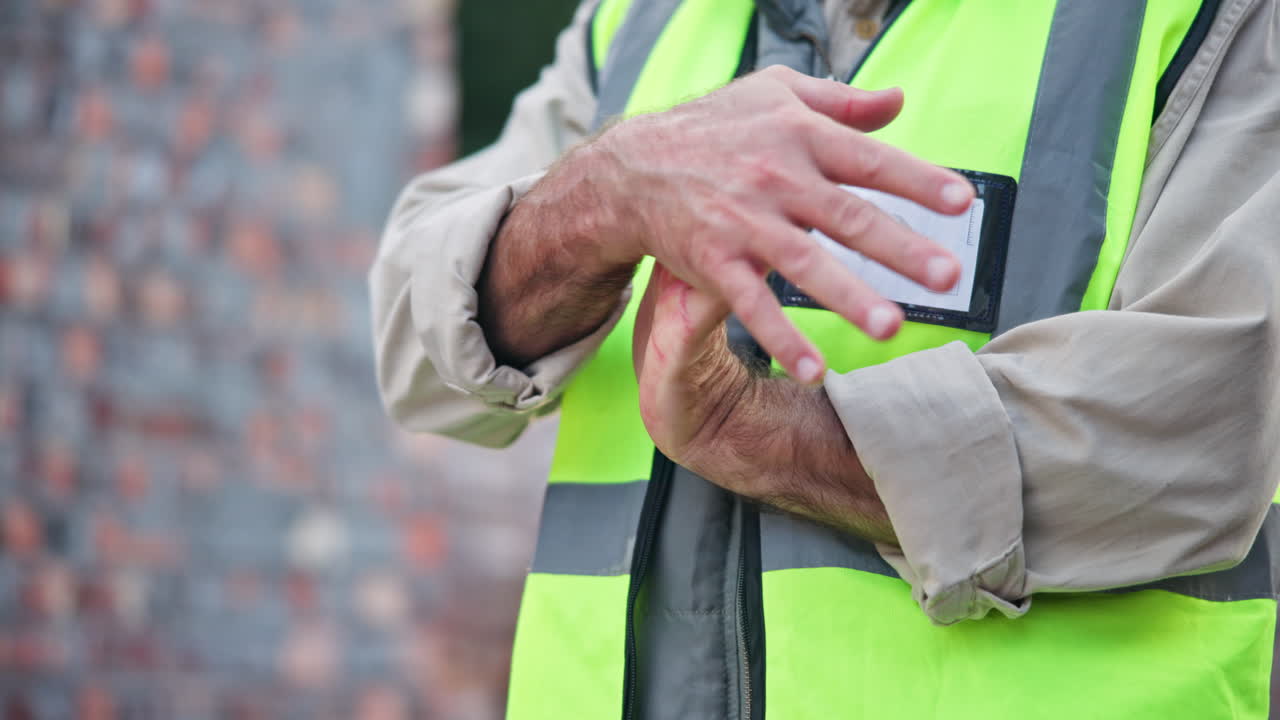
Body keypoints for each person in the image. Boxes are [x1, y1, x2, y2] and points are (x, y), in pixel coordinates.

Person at [370, 0, 1280, 717]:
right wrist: (598, 197)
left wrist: (754, 431)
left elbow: (1206, 423)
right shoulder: (641, 18)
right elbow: (416, 351)